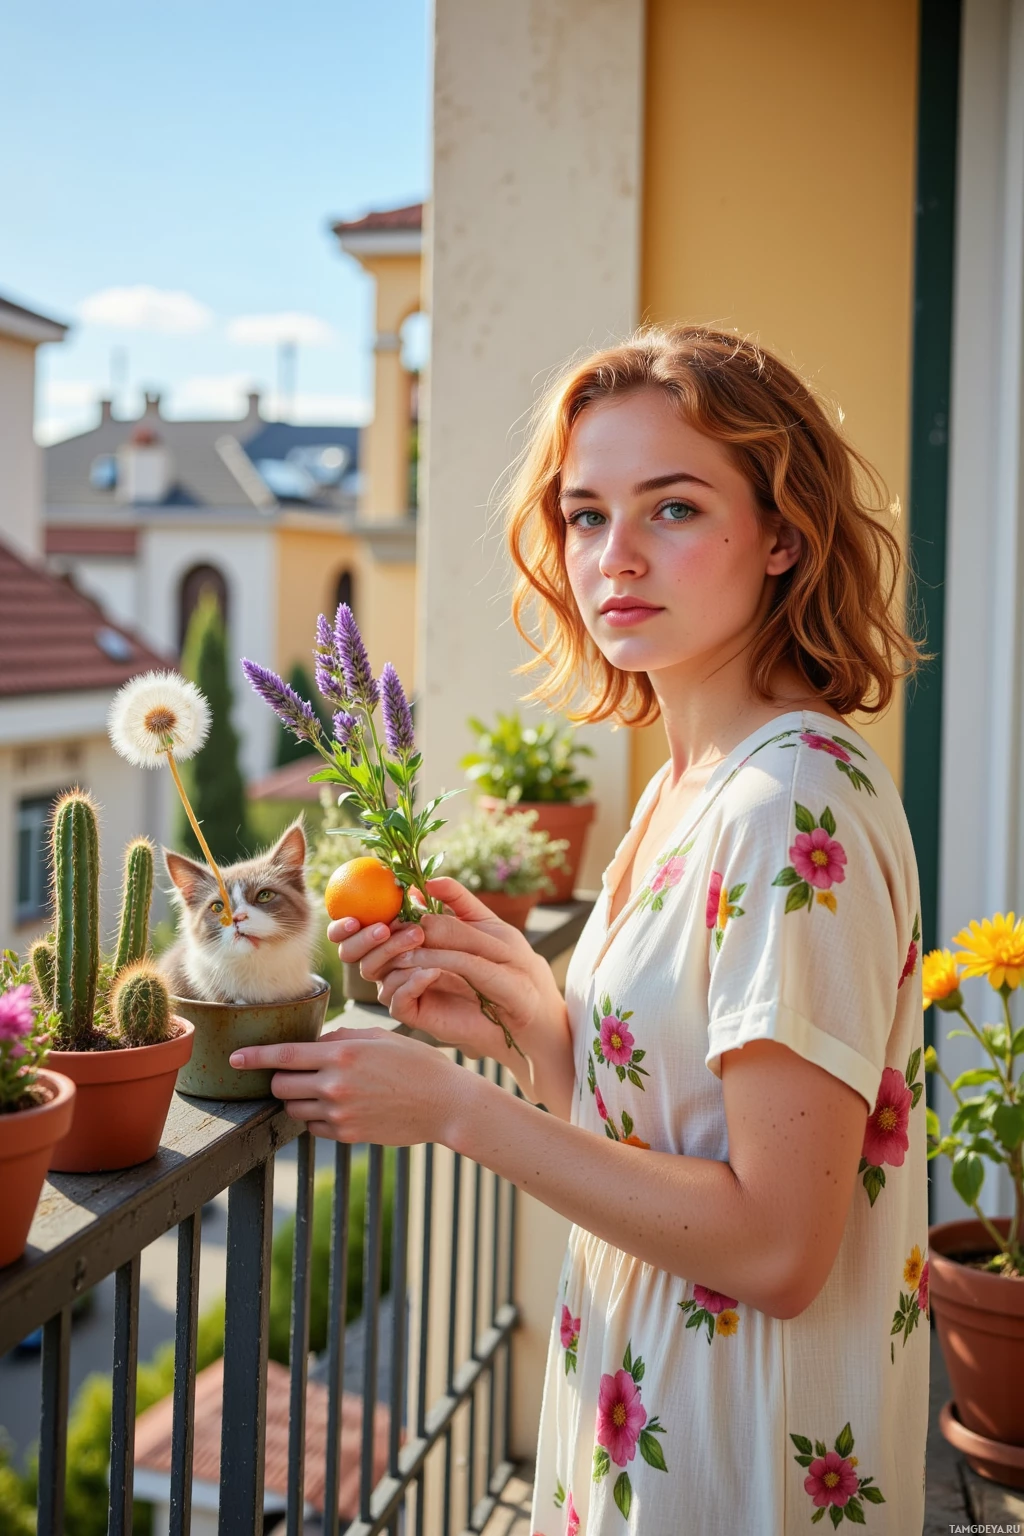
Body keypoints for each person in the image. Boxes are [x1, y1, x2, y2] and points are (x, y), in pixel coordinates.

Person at [231, 327, 929, 1534]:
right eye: (585, 514)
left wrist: (457, 1109)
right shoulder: (683, 786)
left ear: (782, 534)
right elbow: (684, 1130)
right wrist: (537, 1036)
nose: (615, 557)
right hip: (637, 1425)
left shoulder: (787, 802)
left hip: (733, 1470)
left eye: (671, 508)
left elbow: (774, 1246)